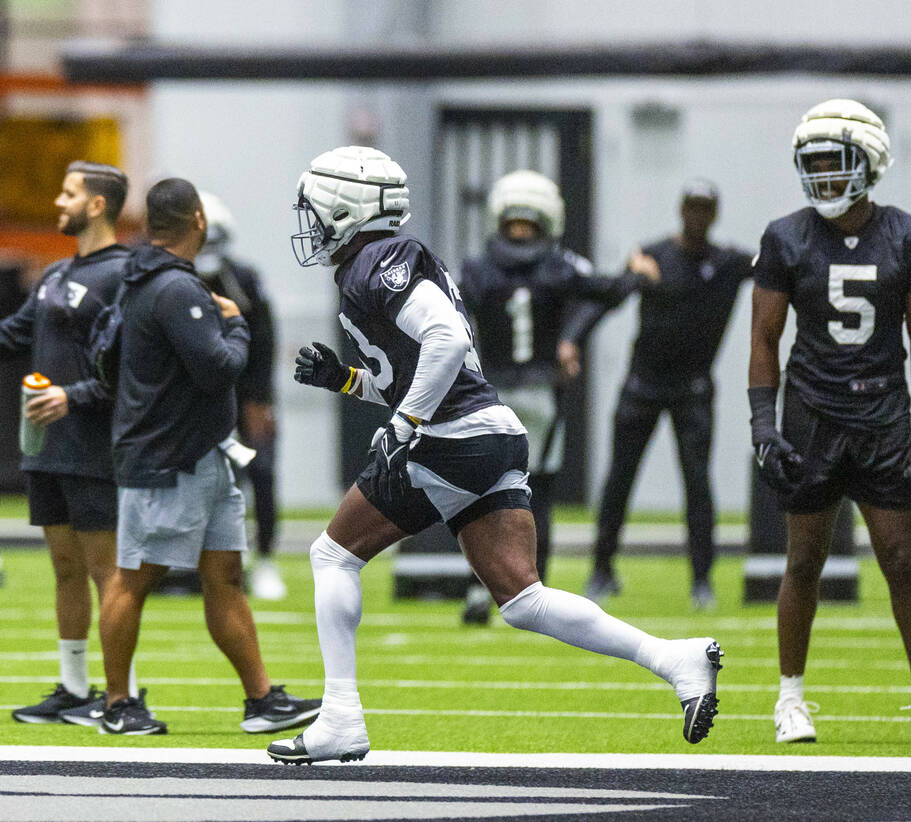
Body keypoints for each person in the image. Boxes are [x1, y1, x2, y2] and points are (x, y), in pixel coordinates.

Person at [268, 146, 722, 764]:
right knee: (523, 599)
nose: (312, 225)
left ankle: (341, 718)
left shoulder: (376, 258)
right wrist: (346, 381)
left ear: (345, 210)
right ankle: (675, 659)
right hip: (491, 429)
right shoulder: (377, 263)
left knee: (332, 555)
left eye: (317, 211)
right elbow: (419, 369)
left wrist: (405, 424)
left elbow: (447, 340)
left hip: (453, 437)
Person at [748, 99, 911, 745]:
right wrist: (762, 420)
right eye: (812, 167)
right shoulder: (785, 235)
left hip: (884, 412)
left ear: (870, 163)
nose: (823, 180)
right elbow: (764, 336)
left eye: (834, 166)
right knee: (803, 559)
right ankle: (790, 698)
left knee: (899, 558)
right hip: (810, 411)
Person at [97, 177, 320, 735]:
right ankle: (118, 705)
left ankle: (262, 699)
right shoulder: (173, 287)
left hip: (200, 454)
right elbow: (219, 366)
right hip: (166, 459)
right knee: (133, 580)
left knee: (224, 576)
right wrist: (236, 325)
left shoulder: (148, 277)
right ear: (197, 218)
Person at [456, 169, 658, 624]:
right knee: (535, 495)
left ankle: (476, 589)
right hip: (542, 394)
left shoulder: (477, 267)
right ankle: (532, 588)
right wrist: (635, 274)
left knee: (480, 494)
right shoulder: (558, 266)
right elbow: (608, 291)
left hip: (488, 394)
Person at [0, 161, 139, 726]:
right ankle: (75, 688)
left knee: (108, 572)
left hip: (93, 446)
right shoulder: (57, 273)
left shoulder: (124, 274)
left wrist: (72, 395)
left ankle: (122, 694)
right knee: (63, 567)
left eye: (69, 193)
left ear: (98, 205)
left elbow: (130, 368)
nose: (58, 201)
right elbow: (13, 334)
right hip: (47, 446)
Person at [587, 179, 755, 610]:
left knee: (697, 483)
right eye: (691, 208)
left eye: (705, 209)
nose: (697, 217)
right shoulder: (652, 254)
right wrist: (572, 339)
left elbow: (777, 267)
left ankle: (702, 579)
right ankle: (602, 569)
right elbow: (611, 296)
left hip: (693, 389)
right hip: (642, 385)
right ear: (681, 211)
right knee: (619, 479)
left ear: (713, 215)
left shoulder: (727, 262)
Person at [196, 191, 285, 601]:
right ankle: (193, 562)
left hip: (243, 397)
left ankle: (264, 560)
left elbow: (264, 340)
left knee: (260, 473)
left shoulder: (244, 279)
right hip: (195, 400)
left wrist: (260, 400)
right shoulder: (174, 281)